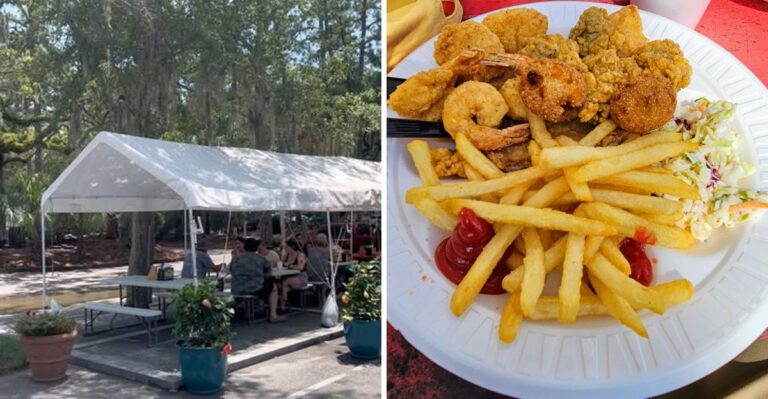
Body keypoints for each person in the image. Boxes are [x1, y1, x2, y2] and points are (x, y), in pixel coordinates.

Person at [230, 238, 285, 322]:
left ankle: (248, 310)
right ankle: (273, 315)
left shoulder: (235, 258)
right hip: (254, 288)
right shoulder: (261, 258)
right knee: (273, 286)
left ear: (244, 247)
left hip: (237, 288)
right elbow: (268, 272)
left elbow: (231, 270)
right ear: (256, 248)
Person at [281, 238, 309, 304]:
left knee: (285, 282)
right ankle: (284, 303)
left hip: (300, 277)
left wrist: (290, 266)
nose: (285, 248)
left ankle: (284, 302)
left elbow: (300, 267)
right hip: (288, 276)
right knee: (280, 285)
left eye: (286, 247)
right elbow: (282, 264)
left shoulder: (300, 255)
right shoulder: (286, 255)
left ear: (292, 247)